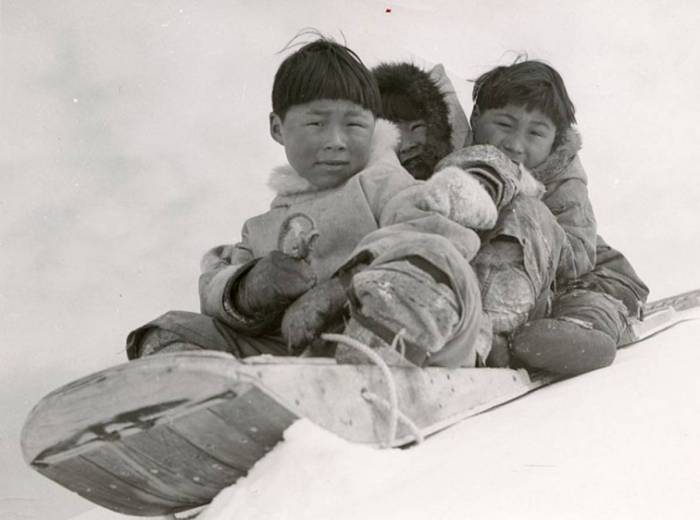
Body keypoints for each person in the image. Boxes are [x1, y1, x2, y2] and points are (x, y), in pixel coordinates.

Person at [125, 38, 508, 368]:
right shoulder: (264, 224)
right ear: (278, 128)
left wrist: (336, 289)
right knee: (171, 330)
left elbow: (435, 235)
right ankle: (200, 401)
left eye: (354, 125)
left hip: (420, 344)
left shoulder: (386, 183)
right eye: (316, 124)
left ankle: (369, 366)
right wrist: (252, 287)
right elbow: (215, 289)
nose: (336, 141)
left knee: (432, 252)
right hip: (307, 358)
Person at [374, 59, 648, 375]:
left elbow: (577, 259)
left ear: (556, 140)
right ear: (476, 118)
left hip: (585, 276)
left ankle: (557, 337)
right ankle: (493, 332)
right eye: (504, 125)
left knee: (586, 304)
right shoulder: (469, 159)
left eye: (535, 133)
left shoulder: (563, 177)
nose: (515, 144)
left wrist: (520, 195)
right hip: (505, 276)